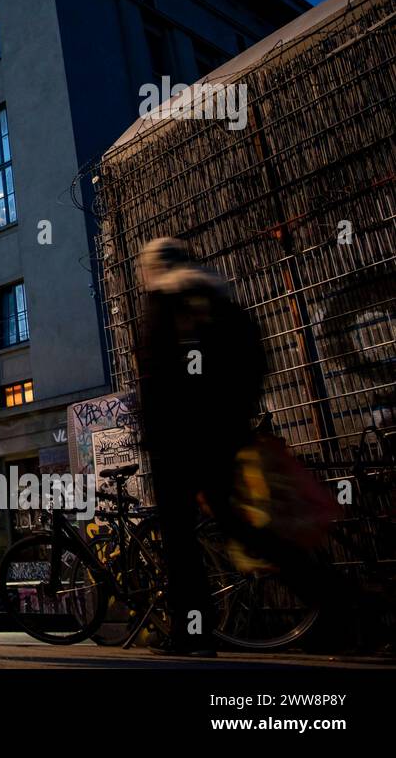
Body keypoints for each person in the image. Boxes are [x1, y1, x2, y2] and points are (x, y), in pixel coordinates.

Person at [134, 237, 335, 655]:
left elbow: (157, 378)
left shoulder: (163, 305)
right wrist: (235, 418)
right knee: (238, 524)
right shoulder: (218, 298)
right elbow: (258, 360)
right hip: (222, 435)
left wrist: (154, 432)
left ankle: (193, 632)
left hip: (178, 441)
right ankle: (331, 598)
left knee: (180, 539)